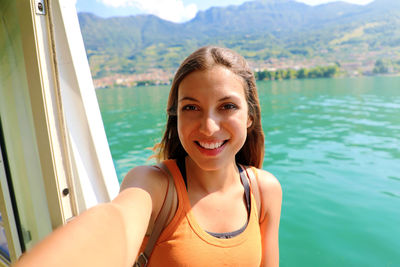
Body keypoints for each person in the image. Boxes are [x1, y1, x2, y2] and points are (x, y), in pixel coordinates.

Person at [15, 46, 282, 267]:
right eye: (191, 107)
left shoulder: (263, 190)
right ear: (175, 115)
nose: (208, 127)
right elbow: (116, 222)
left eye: (227, 106)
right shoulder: (154, 187)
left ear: (249, 116)